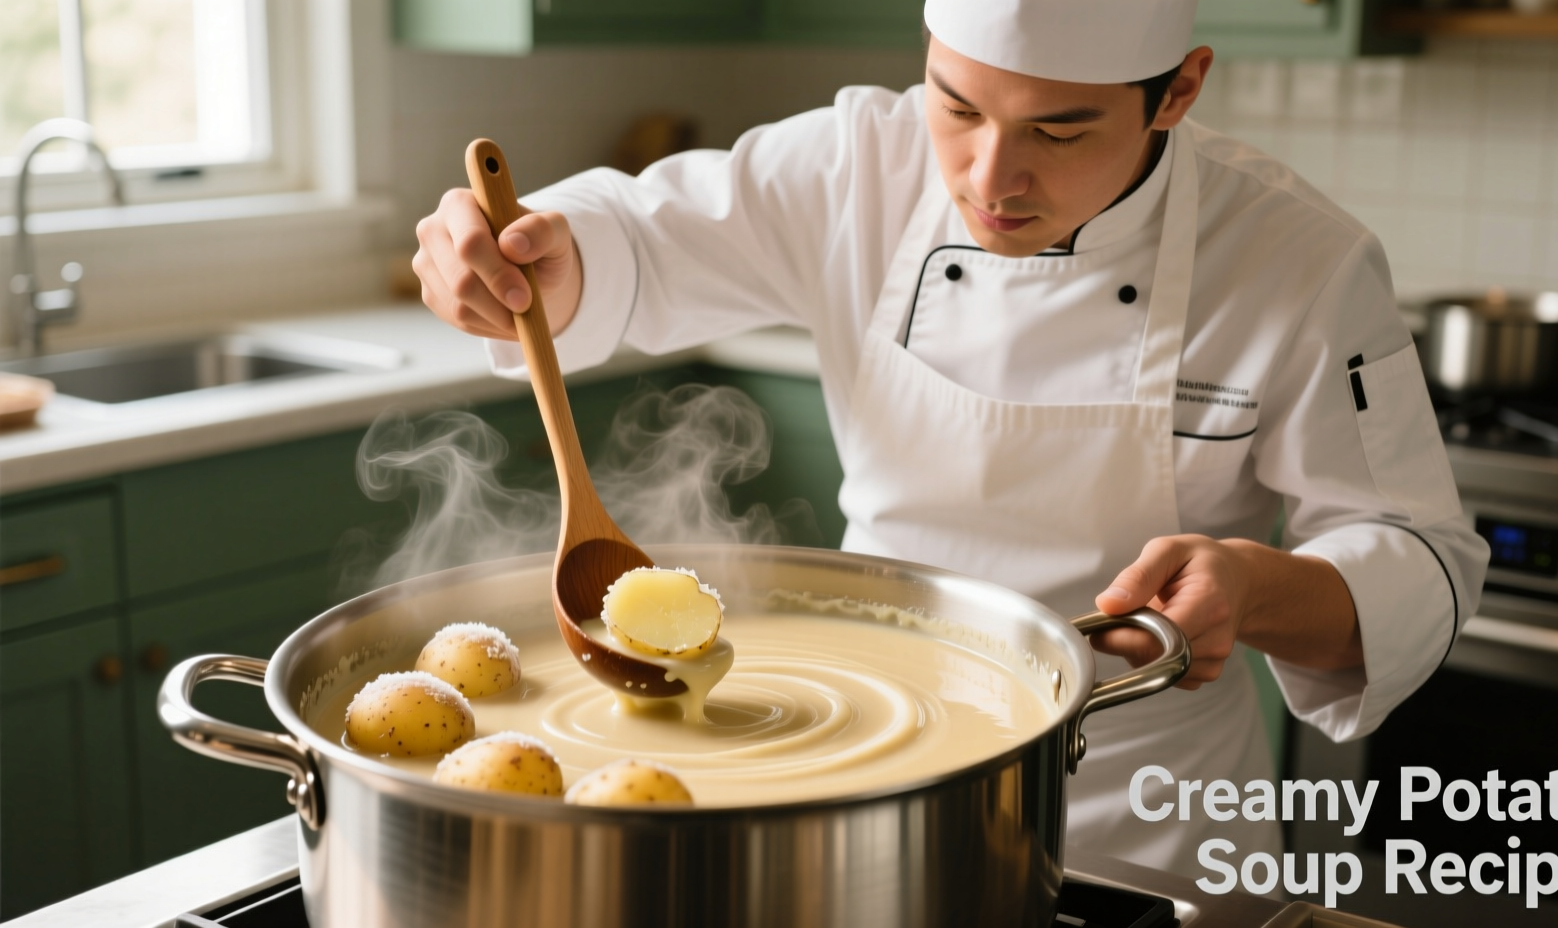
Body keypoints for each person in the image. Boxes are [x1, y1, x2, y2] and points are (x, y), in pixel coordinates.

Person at [412, 0, 1488, 877]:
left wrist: (1252, 586)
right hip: (855, 795)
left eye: (1059, 129)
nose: (988, 177)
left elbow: (1418, 556)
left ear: (1181, 88)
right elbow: (634, 239)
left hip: (1135, 820)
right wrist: (523, 260)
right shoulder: (856, 164)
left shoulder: (1295, 260)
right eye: (956, 106)